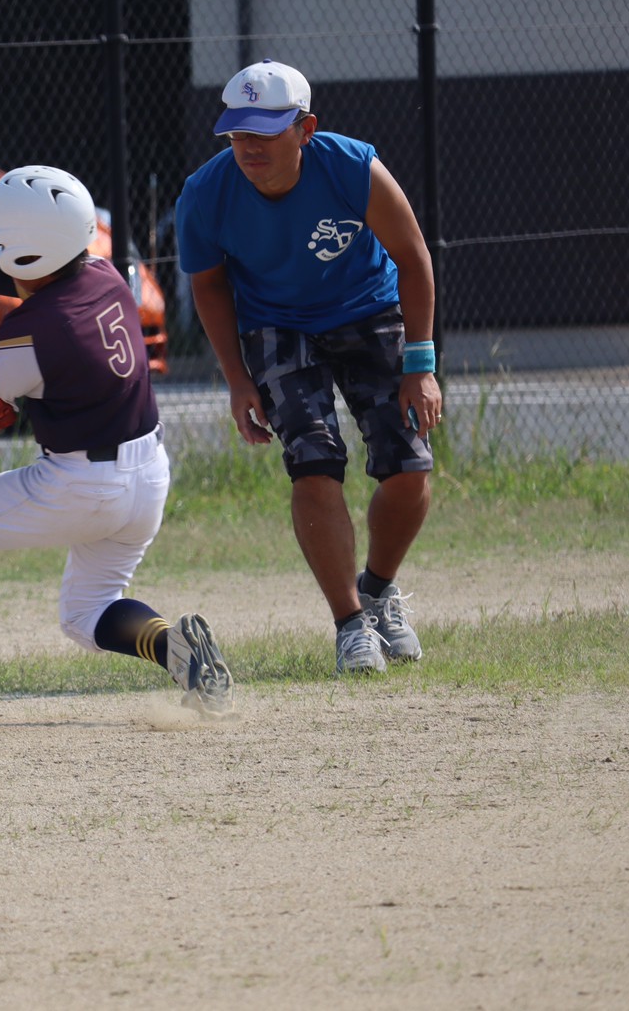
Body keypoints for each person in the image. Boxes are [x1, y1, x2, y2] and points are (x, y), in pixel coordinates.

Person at [0, 165, 234, 724]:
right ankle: (174, 646)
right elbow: (24, 273)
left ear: (31, 255)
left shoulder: (32, 335)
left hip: (81, 483)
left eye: (6, 244)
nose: (0, 254)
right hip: (149, 473)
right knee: (87, 613)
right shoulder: (105, 274)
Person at [174, 59, 443, 675]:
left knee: (409, 466)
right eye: (238, 133)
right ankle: (350, 624)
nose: (249, 147)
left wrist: (420, 364)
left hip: (368, 309)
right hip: (277, 326)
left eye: (266, 132)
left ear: (305, 128)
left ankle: (377, 591)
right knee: (313, 460)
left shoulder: (351, 166)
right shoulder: (206, 193)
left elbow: (413, 256)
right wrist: (237, 378)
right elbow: (209, 286)